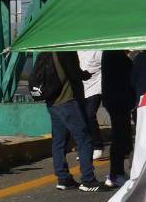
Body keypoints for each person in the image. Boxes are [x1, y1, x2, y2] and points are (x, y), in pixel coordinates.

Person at [41, 52, 103, 191]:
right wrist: (85, 75)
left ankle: (63, 178)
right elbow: (74, 73)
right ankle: (88, 180)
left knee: (59, 141)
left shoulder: (45, 52)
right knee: (84, 138)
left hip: (52, 102)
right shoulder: (67, 52)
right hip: (67, 101)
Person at [101, 50, 136, 187]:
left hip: (116, 100)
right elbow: (126, 76)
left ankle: (117, 173)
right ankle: (116, 173)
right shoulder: (115, 55)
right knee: (120, 137)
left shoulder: (111, 54)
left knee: (123, 136)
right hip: (118, 101)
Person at [77, 50, 106, 160]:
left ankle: (97, 146)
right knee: (82, 118)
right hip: (81, 89)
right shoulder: (77, 51)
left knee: (90, 115)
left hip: (96, 89)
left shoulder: (98, 51)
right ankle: (86, 148)